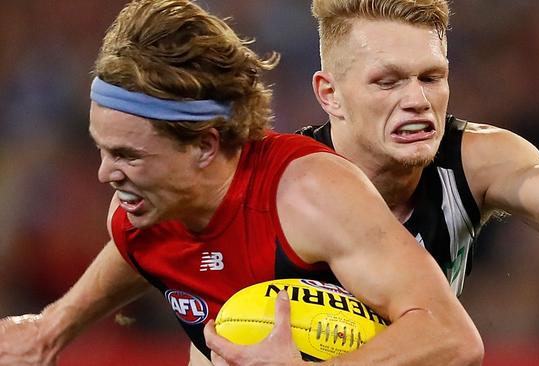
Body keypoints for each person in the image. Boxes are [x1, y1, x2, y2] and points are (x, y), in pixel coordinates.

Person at [0, 1, 484, 366]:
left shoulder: (309, 193)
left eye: (129, 155)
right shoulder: (141, 212)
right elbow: (130, 250)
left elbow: (452, 337)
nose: (107, 174)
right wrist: (52, 327)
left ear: (206, 147)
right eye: (103, 151)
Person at [295, 0, 539, 297]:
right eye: (387, 82)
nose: (417, 100)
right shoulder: (275, 179)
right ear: (330, 94)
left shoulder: (475, 160)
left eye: (431, 78)